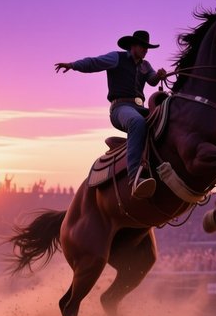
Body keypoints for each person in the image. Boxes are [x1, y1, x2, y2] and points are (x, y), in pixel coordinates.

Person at [55, 29, 168, 198]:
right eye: (143, 46)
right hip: (120, 108)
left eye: (147, 47)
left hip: (141, 108)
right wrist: (73, 65)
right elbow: (94, 63)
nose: (146, 50)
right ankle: (134, 179)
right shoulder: (117, 58)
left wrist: (159, 76)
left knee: (166, 118)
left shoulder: (146, 65)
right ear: (133, 46)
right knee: (137, 122)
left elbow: (151, 80)